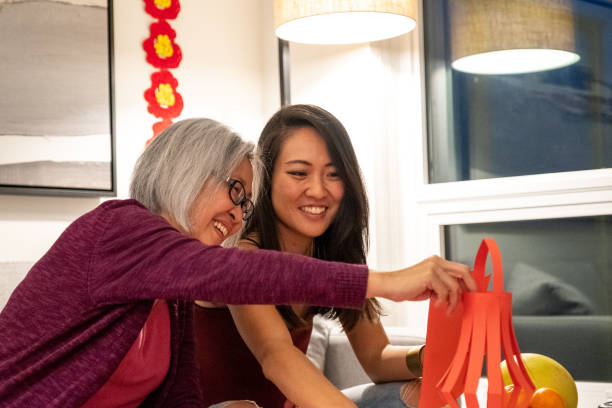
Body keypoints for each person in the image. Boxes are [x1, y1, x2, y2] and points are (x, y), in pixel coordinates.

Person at [0, 118, 472, 408]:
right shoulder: (118, 228)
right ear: (188, 172)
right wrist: (386, 281)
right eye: (234, 190)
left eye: (246, 201)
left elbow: (178, 397)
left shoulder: (173, 295)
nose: (238, 213)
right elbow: (243, 276)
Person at [193, 106, 477, 408]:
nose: (318, 189)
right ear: (266, 179)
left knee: (423, 394)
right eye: (298, 173)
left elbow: (376, 357)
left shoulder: (334, 260)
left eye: (333, 174)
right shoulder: (243, 260)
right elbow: (277, 356)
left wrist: (431, 356)